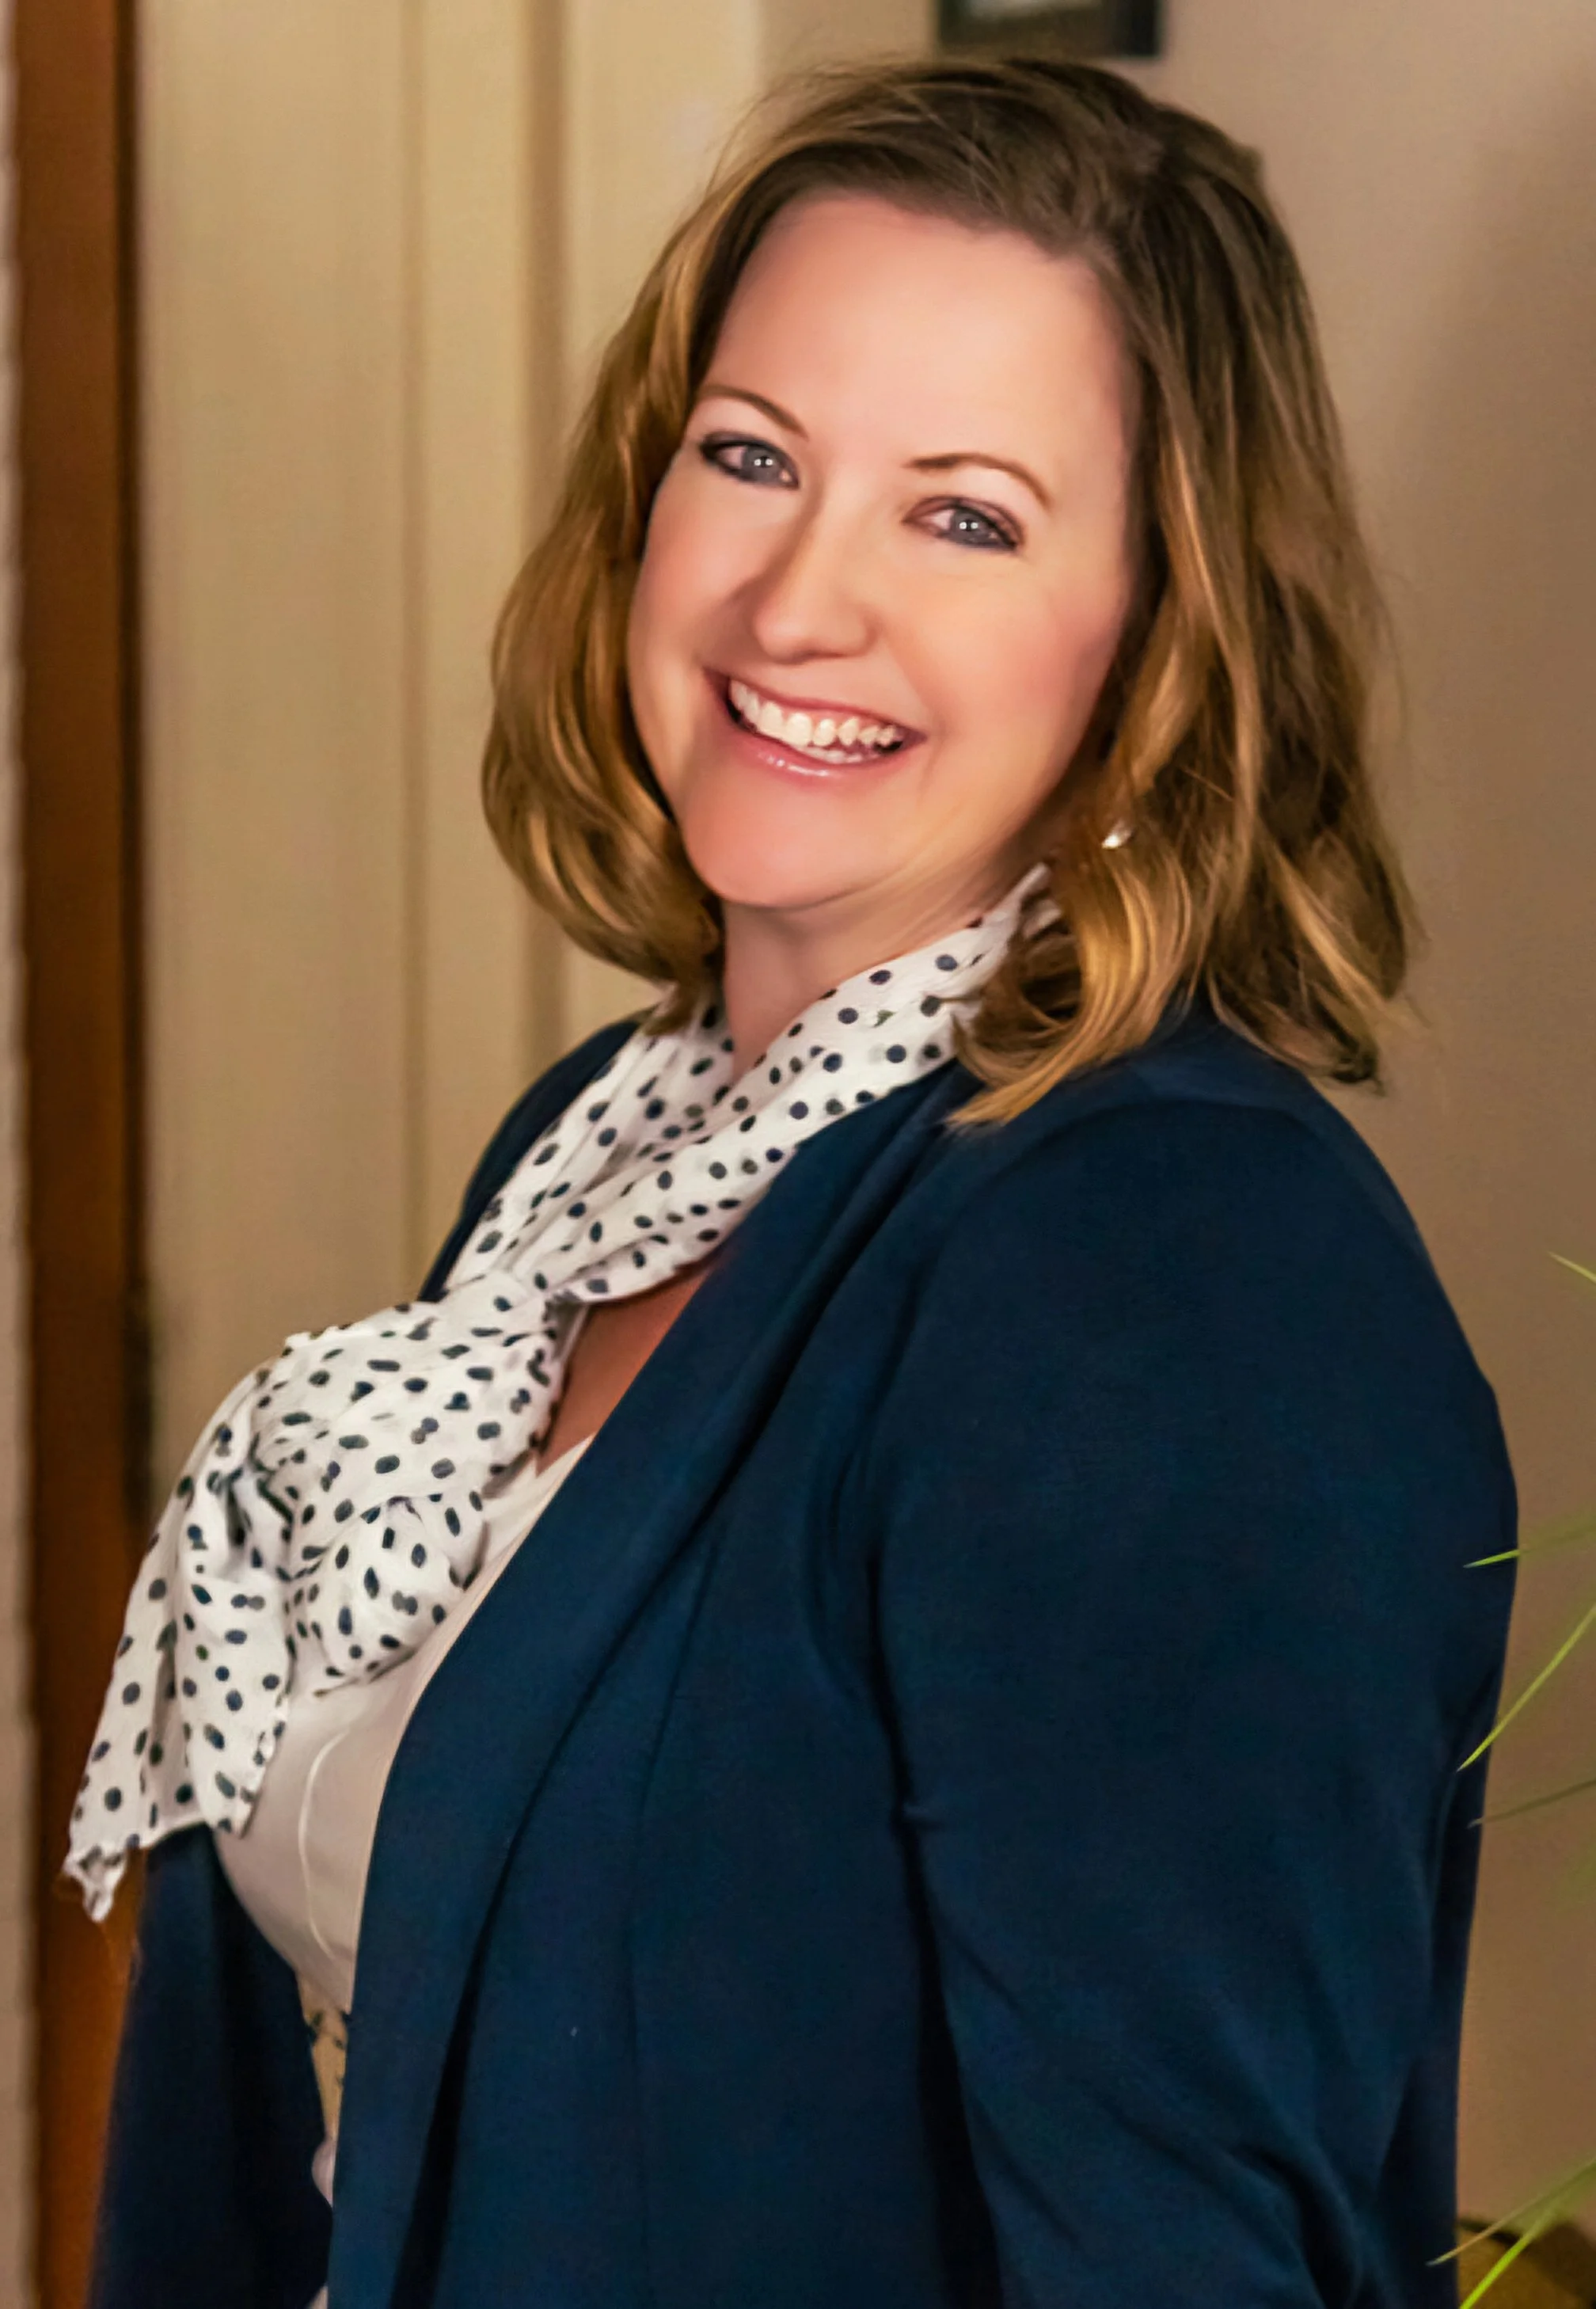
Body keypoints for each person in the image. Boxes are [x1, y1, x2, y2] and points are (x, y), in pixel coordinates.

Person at [76, 52, 1514, 2309]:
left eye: (967, 514)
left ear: (1158, 632)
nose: (797, 603)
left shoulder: (1174, 1270)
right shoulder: (593, 1155)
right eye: (752, 457)